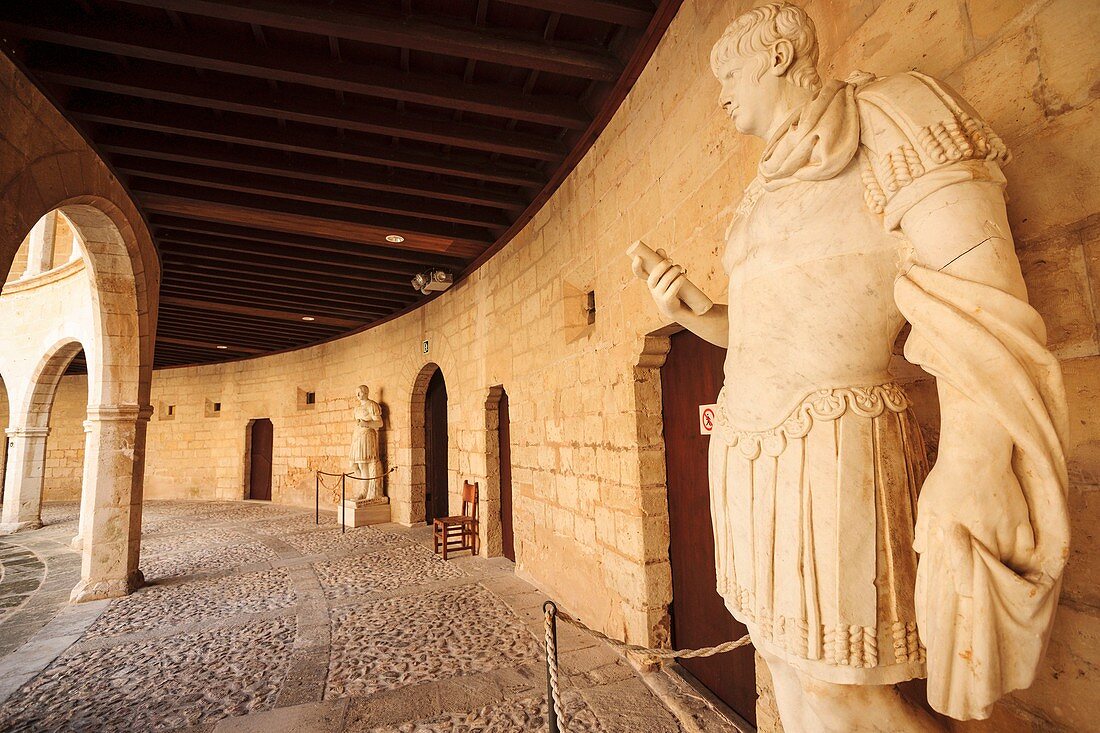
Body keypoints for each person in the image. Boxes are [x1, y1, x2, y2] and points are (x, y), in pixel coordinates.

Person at [631, 4, 1069, 731]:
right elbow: (770, 329)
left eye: (730, 72)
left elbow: (980, 298)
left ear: (776, 56)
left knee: (846, 695)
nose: (721, 95)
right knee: (785, 666)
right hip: (752, 458)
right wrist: (699, 313)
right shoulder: (760, 188)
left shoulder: (895, 117)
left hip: (837, 452)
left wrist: (974, 457)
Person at [350, 384, 384, 501]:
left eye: (359, 392)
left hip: (367, 436)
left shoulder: (372, 405)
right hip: (357, 437)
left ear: (366, 392)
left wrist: (367, 424)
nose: (357, 395)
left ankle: (364, 492)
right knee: (354, 465)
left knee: (364, 465)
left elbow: (379, 423)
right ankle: (364, 489)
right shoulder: (357, 408)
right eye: (356, 393)